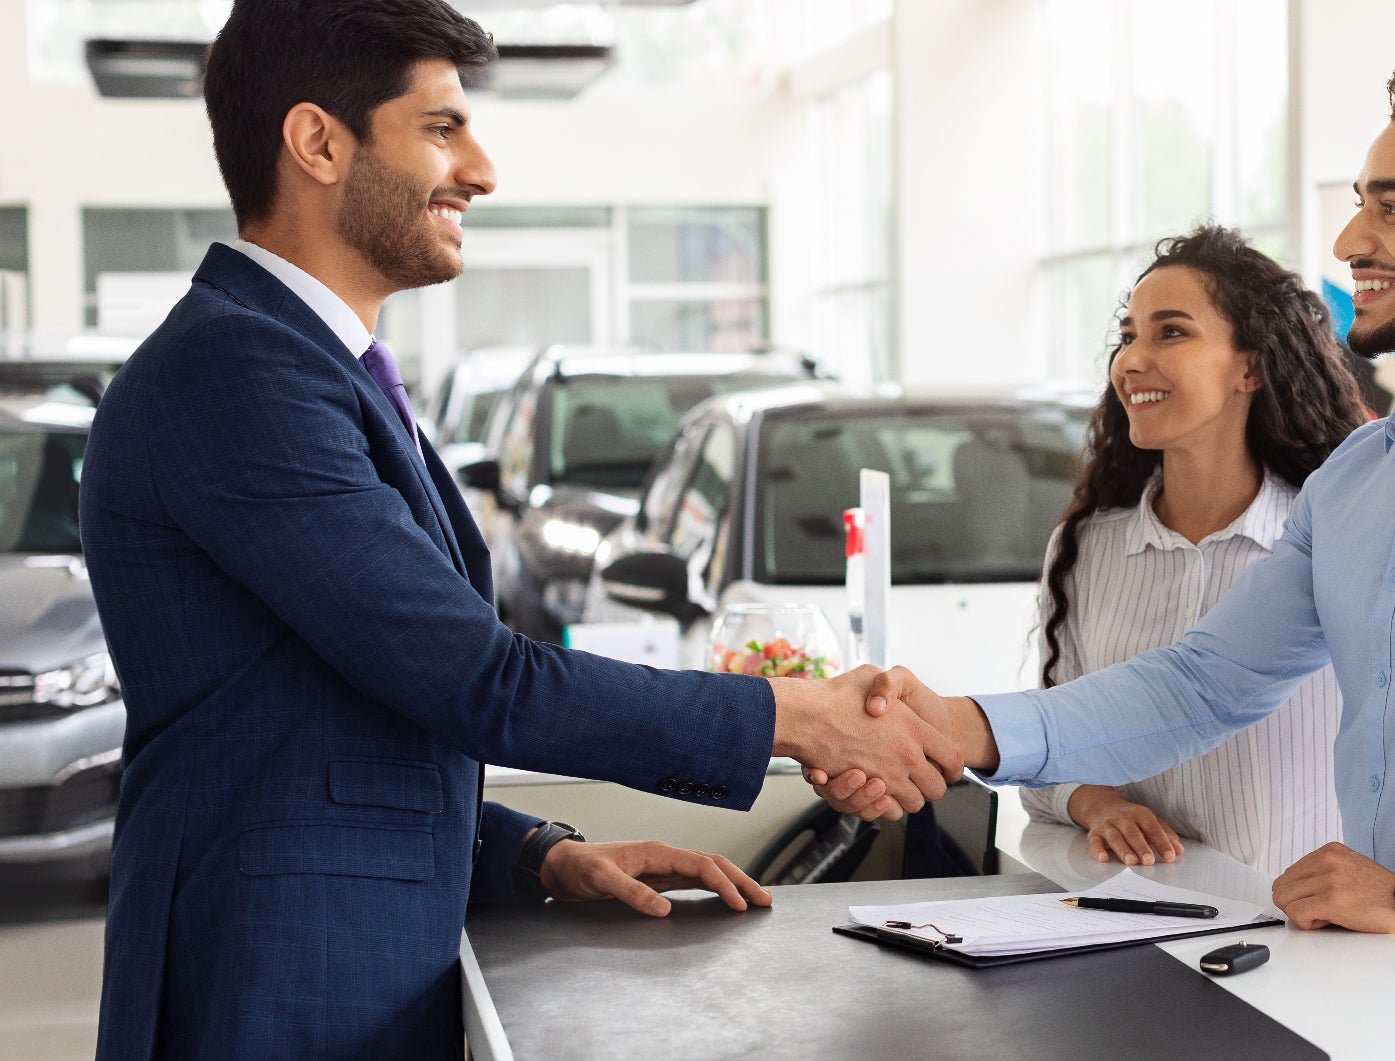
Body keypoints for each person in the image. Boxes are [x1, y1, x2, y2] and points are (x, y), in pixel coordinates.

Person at [816, 54, 1395, 1059]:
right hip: (1384, 994)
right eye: (1361, 203)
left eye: (1393, 210)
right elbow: (1205, 680)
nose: (1350, 240)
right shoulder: (1362, 476)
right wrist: (962, 727)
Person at [79, 2, 956, 1057]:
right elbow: (473, 678)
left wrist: (538, 851)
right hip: (274, 986)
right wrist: (800, 715)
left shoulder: (306, 367)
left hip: (330, 962)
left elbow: (321, 729)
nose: (481, 170)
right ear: (317, 141)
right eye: (442, 127)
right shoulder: (240, 374)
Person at [1019, 225, 1364, 875]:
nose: (1131, 359)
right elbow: (1046, 754)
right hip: (1138, 926)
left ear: (1251, 365)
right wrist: (1098, 804)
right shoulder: (1087, 547)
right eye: (1127, 337)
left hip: (1309, 943)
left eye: (1170, 332)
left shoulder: (1339, 539)